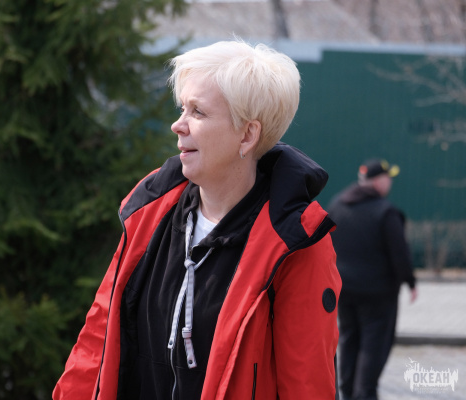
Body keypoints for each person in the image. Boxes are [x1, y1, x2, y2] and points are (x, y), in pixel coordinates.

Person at [53, 39, 341, 400]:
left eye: (198, 112)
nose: (178, 125)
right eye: (182, 109)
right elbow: (98, 340)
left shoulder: (295, 242)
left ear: (247, 135)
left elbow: (307, 384)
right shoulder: (148, 211)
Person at [327, 159, 418, 400]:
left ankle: (347, 391)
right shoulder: (385, 212)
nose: (390, 183)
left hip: (344, 290)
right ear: (379, 181)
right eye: (388, 178)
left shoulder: (337, 205)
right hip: (378, 294)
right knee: (373, 344)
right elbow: (399, 254)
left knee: (348, 339)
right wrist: (410, 281)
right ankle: (365, 393)